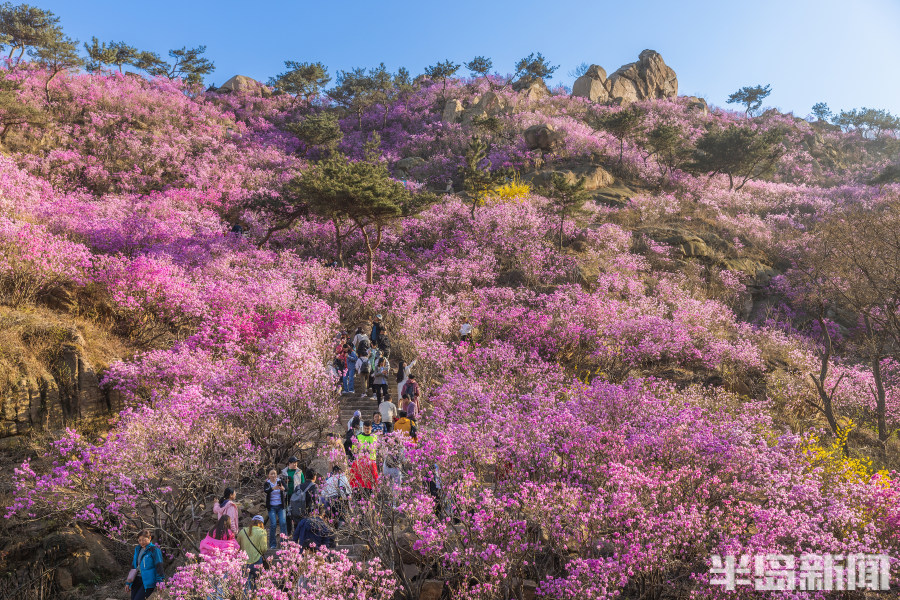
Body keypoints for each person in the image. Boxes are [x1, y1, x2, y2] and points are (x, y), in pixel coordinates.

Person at [125, 529, 164, 600]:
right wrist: (128, 582)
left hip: (148, 582)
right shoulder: (138, 549)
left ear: (149, 538)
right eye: (139, 540)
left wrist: (160, 581)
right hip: (136, 580)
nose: (141, 542)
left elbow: (159, 566)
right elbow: (134, 566)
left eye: (143, 540)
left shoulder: (154, 550)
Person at [237, 516, 267, 591]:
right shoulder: (262, 532)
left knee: (246, 587)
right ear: (262, 524)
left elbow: (238, 546)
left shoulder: (242, 531)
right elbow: (264, 549)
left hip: (244, 562)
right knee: (259, 585)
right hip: (257, 561)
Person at [263, 469, 288, 549]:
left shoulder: (280, 481)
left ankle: (283, 543)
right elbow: (266, 491)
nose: (273, 475)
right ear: (268, 475)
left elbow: (287, 489)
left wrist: (282, 488)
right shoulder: (267, 483)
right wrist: (273, 488)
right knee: (273, 524)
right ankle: (272, 544)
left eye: (275, 474)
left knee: (283, 523)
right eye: (271, 474)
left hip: (281, 506)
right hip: (272, 507)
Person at [280, 457, 305, 536]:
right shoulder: (284, 472)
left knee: (295, 514)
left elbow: (303, 483)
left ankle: (296, 532)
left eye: (296, 462)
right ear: (289, 463)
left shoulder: (299, 472)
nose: (295, 464)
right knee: (287, 514)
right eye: (293, 462)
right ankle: (289, 532)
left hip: (296, 496)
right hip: (286, 495)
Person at [290, 468, 319, 534]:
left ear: (305, 476)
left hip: (296, 514)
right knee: (306, 535)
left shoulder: (298, 487)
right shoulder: (314, 487)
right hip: (307, 515)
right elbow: (316, 502)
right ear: (314, 477)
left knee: (297, 534)